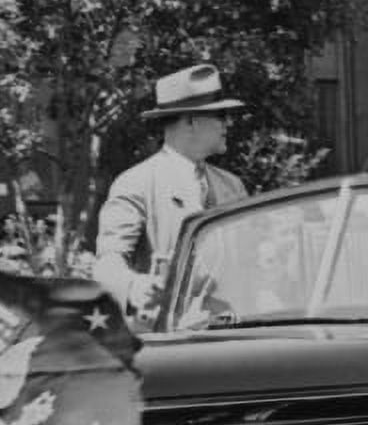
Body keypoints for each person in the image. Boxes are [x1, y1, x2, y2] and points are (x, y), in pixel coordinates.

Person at [93, 64, 251, 314]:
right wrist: (135, 286)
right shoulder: (137, 182)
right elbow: (108, 261)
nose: (228, 124)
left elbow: (248, 265)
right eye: (220, 115)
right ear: (190, 121)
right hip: (171, 340)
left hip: (230, 337)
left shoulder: (232, 185)